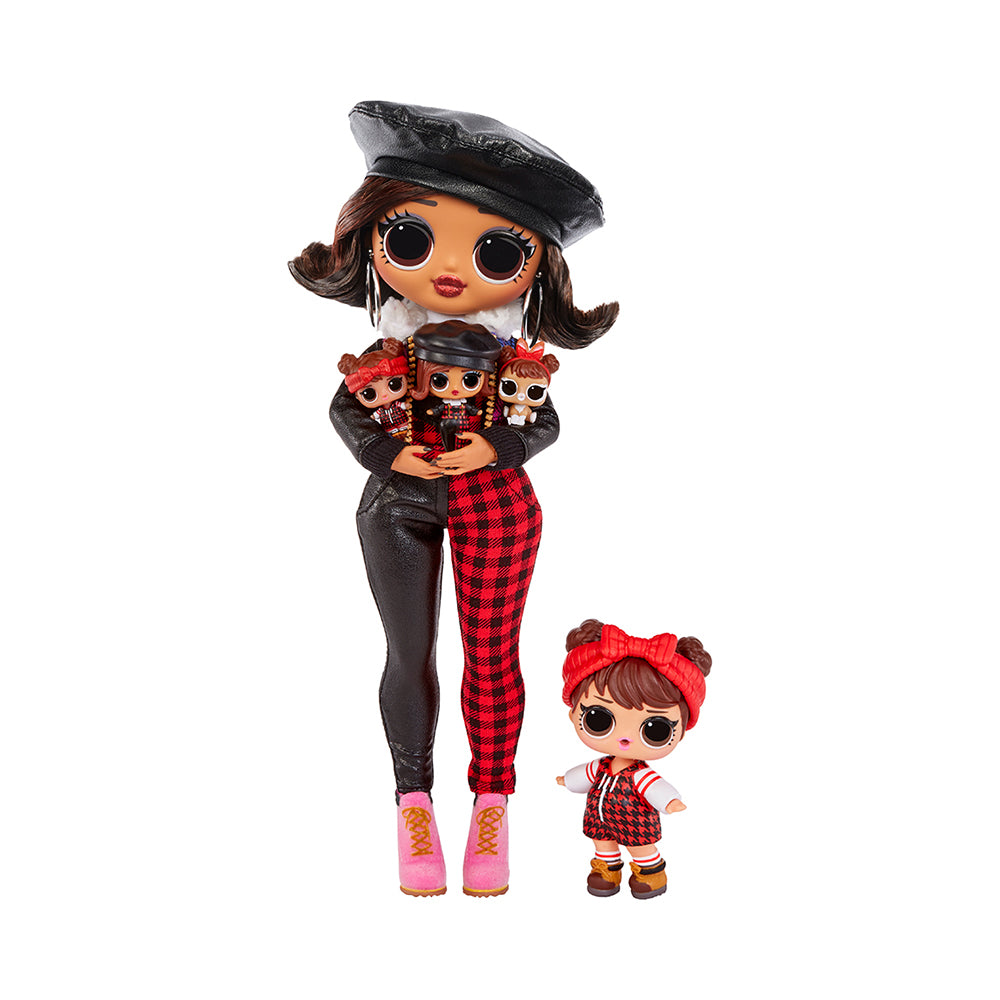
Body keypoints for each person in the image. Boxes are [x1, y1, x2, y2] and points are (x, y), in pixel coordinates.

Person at [289, 101, 618, 897]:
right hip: (397, 503)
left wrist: (497, 446)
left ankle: (491, 800)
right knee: (408, 653)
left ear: (538, 268)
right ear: (371, 238)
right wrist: (385, 451)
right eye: (411, 238)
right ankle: (413, 800)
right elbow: (345, 407)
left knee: (492, 654)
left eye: (496, 252)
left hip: (495, 502)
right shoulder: (389, 350)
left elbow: (545, 420)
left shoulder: (512, 359)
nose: (448, 269)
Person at [557, 619, 713, 898]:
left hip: (635, 821)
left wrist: (669, 801)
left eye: (655, 729)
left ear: (681, 732)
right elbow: (585, 775)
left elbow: (655, 787)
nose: (625, 738)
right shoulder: (601, 767)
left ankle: (650, 873)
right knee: (602, 843)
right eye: (598, 719)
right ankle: (606, 870)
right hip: (599, 817)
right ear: (573, 714)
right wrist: (567, 780)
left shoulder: (640, 774)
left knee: (640, 847)